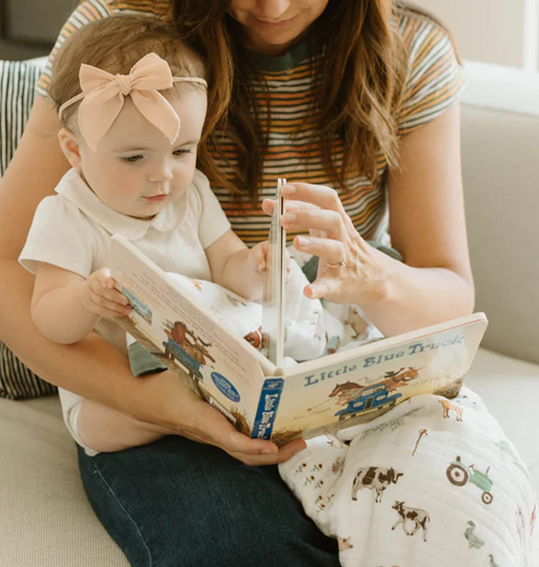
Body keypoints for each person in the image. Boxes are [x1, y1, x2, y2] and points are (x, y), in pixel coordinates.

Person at [0, 2, 539, 567]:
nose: (274, 6)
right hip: (148, 391)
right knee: (256, 562)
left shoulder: (411, 52)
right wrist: (170, 408)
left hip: (324, 363)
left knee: (456, 514)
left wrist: (369, 274)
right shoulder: (116, 37)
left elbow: (449, 295)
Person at [21, 17, 325, 455]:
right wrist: (86, 301)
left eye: (182, 151)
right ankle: (181, 422)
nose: (163, 175)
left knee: (262, 383)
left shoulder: (192, 195)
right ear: (74, 150)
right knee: (102, 425)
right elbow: (48, 318)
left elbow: (228, 267)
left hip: (200, 361)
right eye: (134, 158)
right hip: (122, 387)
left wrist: (257, 266)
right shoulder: (67, 214)